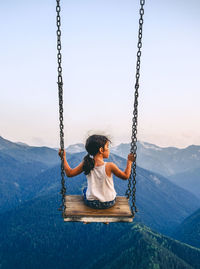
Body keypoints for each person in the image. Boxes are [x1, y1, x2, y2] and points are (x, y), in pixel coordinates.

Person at [58, 134, 135, 224]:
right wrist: (129, 162)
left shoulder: (86, 163)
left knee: (85, 190)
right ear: (101, 150)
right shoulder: (110, 166)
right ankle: (105, 218)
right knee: (92, 191)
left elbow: (69, 173)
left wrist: (63, 158)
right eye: (107, 147)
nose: (109, 149)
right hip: (109, 203)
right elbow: (126, 176)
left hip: (91, 203)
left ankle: (89, 218)